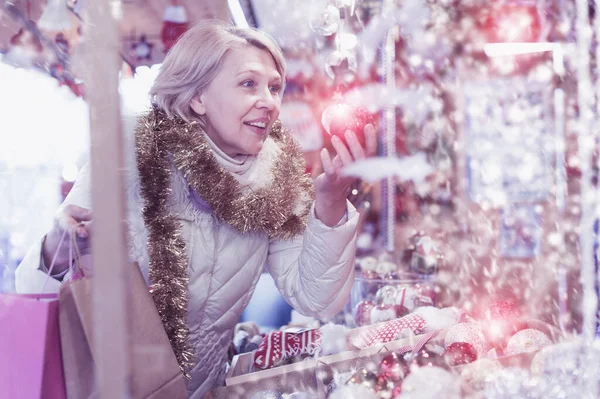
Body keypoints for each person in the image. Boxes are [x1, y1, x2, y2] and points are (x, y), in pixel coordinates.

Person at [15, 20, 376, 398]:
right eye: (248, 83)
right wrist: (56, 249)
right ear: (198, 97)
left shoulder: (277, 179)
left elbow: (317, 298)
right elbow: (34, 291)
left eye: (274, 87)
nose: (268, 101)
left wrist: (332, 203)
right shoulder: (129, 151)